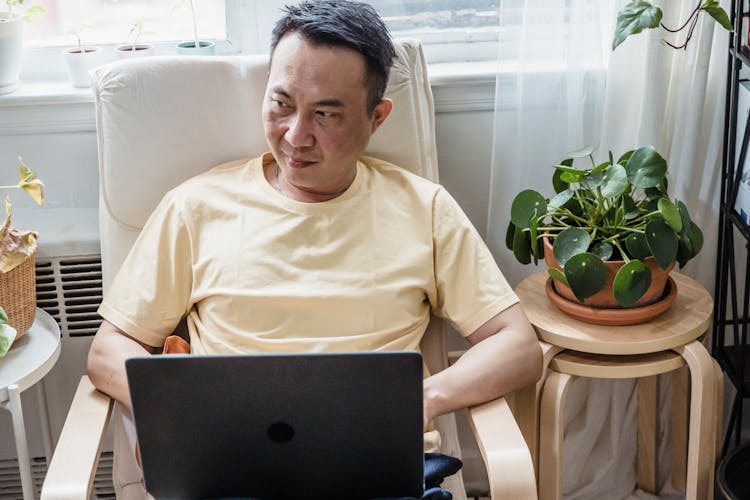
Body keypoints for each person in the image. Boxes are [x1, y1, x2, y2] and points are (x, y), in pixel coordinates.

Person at [87, 0, 543, 498]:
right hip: (231, 469)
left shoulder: (423, 208)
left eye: (325, 114)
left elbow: (517, 347)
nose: (295, 135)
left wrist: (421, 400)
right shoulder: (195, 207)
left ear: (377, 117)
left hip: (377, 469)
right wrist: (185, 410)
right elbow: (109, 349)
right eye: (281, 105)